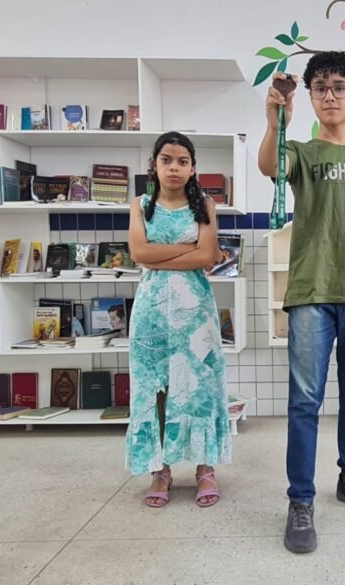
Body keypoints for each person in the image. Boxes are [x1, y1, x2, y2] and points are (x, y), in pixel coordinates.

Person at [260, 51, 345, 554]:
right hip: (312, 294)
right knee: (304, 401)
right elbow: (268, 165)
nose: (330, 95)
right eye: (321, 87)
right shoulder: (299, 151)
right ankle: (300, 500)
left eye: (340, 86)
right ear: (312, 95)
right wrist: (275, 117)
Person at [126, 131, 230, 509]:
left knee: (200, 384)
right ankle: (162, 469)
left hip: (196, 310)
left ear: (193, 168)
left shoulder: (205, 204)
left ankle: (205, 468)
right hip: (152, 311)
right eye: (166, 159)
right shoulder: (140, 204)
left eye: (182, 161)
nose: (174, 167)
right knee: (157, 388)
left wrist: (158, 255)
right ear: (154, 164)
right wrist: (187, 250)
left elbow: (208, 256)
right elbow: (138, 252)